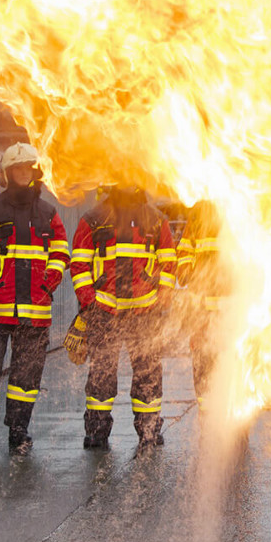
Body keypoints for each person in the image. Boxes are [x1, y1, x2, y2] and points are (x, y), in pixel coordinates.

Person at [0, 143, 69, 453]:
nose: (23, 173)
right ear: (9, 173)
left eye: (28, 169)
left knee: (26, 378)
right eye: (18, 169)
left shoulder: (48, 213)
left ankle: (18, 432)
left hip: (35, 311)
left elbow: (61, 252)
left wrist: (49, 284)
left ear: (35, 172)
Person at [70, 185, 177, 451]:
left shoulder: (156, 219)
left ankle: (149, 430)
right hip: (105, 312)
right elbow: (80, 263)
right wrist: (89, 302)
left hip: (145, 313)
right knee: (101, 374)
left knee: (148, 374)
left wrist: (162, 297)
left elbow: (168, 261)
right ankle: (96, 431)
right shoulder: (94, 218)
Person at [174, 200, 229, 410]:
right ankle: (207, 421)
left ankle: (234, 423)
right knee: (204, 366)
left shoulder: (243, 206)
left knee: (232, 366)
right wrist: (189, 273)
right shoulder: (199, 213)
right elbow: (184, 253)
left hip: (234, 313)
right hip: (203, 310)